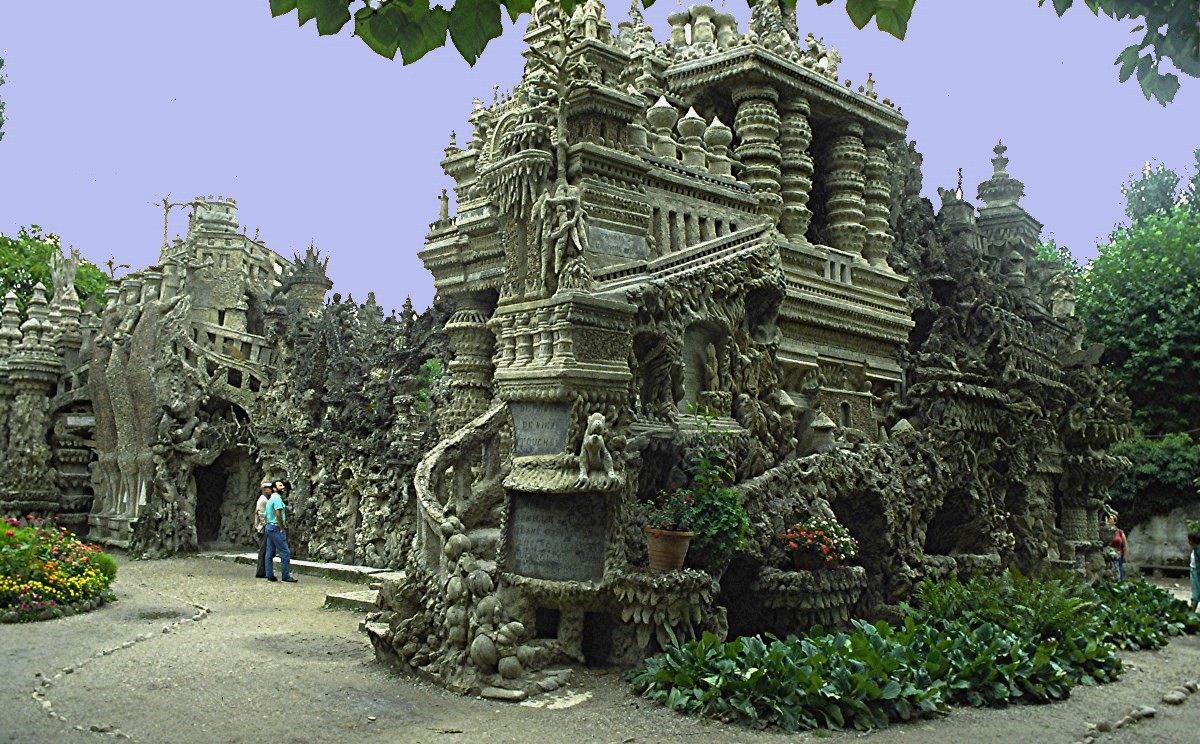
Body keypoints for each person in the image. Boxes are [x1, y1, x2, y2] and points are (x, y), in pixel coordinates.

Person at [263, 479, 298, 583]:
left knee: (269, 552)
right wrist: (281, 527)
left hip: (269, 526)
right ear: (274, 488)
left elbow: (265, 515)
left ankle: (269, 574)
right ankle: (286, 576)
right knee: (285, 552)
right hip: (275, 528)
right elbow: (278, 513)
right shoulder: (277, 498)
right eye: (280, 485)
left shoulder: (270, 499)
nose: (283, 487)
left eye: (282, 485)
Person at [254, 482, 272, 579]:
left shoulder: (265, 499)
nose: (271, 490)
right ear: (265, 489)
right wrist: (266, 525)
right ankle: (261, 571)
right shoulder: (263, 500)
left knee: (266, 550)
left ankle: (264, 570)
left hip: (264, 528)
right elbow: (261, 514)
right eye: (269, 488)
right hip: (263, 529)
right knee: (263, 550)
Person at [1106, 510, 1127, 581]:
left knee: (1118, 572)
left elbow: (1124, 545)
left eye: (1110, 519)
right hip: (1107, 554)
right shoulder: (1104, 532)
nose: (1108, 520)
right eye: (1108, 518)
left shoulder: (1120, 532)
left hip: (1118, 554)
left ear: (1115, 522)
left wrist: (1124, 555)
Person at [1189, 532, 1200, 612]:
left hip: (1197, 573)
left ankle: (1192, 612)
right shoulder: (1195, 549)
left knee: (1195, 594)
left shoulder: (1198, 551)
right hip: (1194, 571)